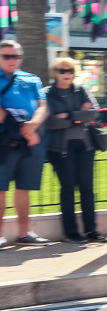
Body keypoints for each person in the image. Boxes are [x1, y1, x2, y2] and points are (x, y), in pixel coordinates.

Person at [44, 57, 105, 243]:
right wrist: (79, 116)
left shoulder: (81, 90)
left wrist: (69, 115)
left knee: (87, 189)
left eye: (70, 71)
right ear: (55, 73)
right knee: (68, 188)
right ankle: (71, 232)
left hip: (85, 147)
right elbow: (51, 121)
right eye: (62, 71)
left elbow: (93, 113)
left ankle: (91, 231)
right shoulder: (47, 94)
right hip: (61, 149)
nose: (67, 74)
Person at [0, 39, 51, 247]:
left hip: (30, 141)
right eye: (6, 56)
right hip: (4, 141)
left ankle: (24, 233)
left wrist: (33, 125)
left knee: (24, 188)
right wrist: (24, 128)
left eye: (15, 56)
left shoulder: (32, 79)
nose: (12, 60)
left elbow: (43, 106)